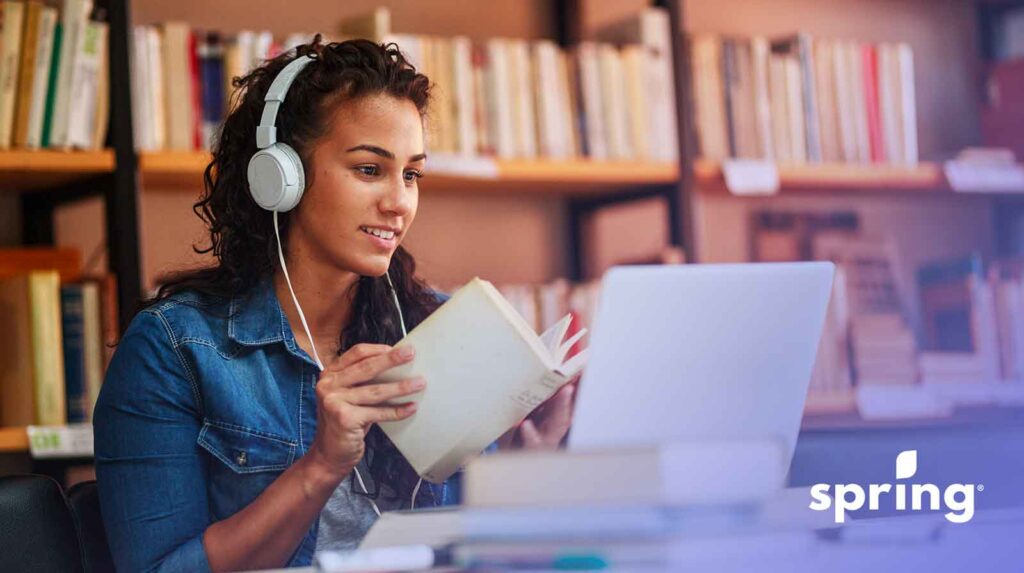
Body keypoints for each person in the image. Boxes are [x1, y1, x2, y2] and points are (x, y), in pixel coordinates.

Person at [94, 38, 576, 572]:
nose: (398, 203)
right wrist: (321, 465)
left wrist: (526, 466)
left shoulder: (440, 328)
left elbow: (475, 555)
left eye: (411, 174)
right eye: (370, 169)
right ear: (281, 176)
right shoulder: (175, 350)